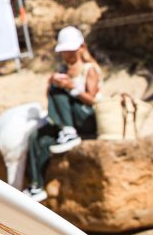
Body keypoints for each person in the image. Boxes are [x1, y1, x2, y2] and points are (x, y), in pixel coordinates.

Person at [24, 26, 102, 202]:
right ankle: (37, 185)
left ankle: (68, 131)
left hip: (86, 117)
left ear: (80, 48)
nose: (67, 55)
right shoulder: (62, 69)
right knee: (37, 137)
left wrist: (71, 88)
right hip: (68, 119)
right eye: (64, 51)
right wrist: (52, 82)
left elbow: (92, 100)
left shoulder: (90, 69)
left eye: (70, 51)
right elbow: (51, 100)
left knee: (59, 91)